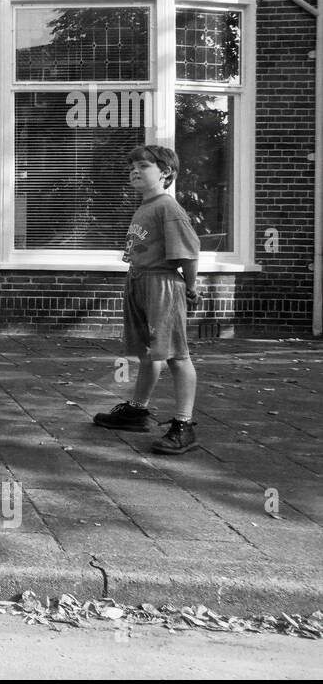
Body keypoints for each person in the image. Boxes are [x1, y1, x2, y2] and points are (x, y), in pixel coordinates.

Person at [92, 145, 203, 455]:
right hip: (139, 281)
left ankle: (184, 425)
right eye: (132, 167)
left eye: (143, 166)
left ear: (166, 173)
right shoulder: (145, 205)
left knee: (176, 355)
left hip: (162, 284)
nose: (135, 171)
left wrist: (191, 287)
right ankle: (137, 410)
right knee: (146, 353)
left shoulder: (168, 207)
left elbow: (189, 253)